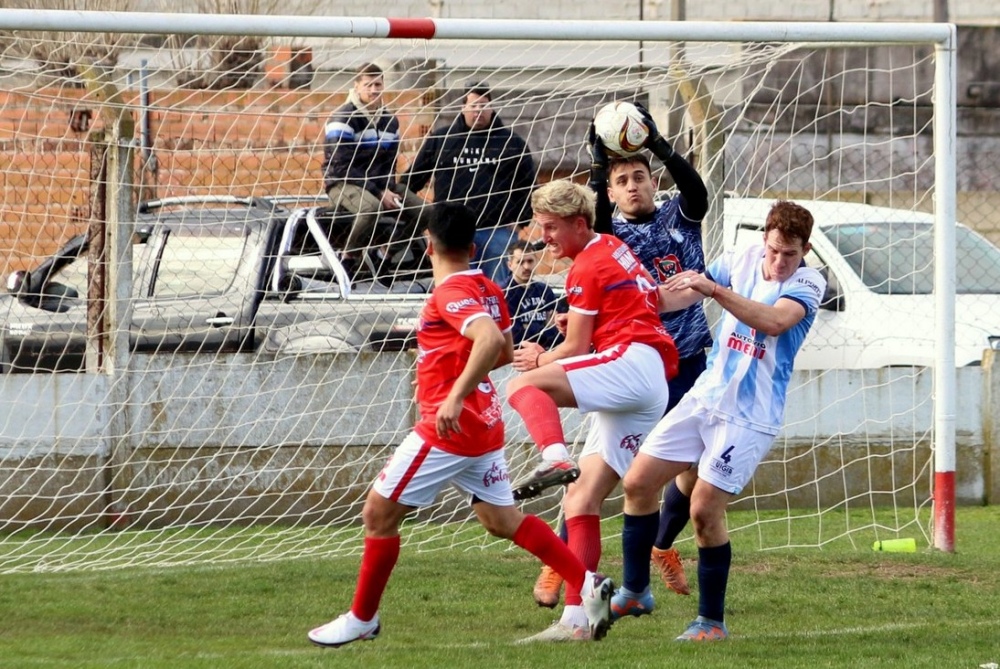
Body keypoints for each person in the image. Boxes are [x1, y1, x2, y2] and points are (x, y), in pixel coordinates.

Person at [306, 201, 615, 649]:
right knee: (501, 519)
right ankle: (588, 585)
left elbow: (489, 341)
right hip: (484, 425)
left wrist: (452, 393)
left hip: (447, 429)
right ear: (473, 246)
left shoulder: (449, 292)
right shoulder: (490, 286)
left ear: (427, 244)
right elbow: (505, 353)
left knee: (377, 514)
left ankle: (362, 618)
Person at [617, 200, 826, 641]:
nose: (778, 261)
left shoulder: (809, 283)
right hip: (705, 397)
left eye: (789, 254)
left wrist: (713, 290)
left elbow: (772, 321)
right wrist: (632, 304)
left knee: (704, 510)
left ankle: (711, 623)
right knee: (636, 483)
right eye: (773, 250)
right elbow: (685, 292)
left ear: (804, 250)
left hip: (750, 417)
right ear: (764, 239)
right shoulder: (743, 257)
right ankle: (636, 590)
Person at [532, 108, 712, 610]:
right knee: (602, 465)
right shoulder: (611, 237)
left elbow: (696, 191)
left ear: (653, 182)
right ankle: (562, 558)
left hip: (689, 358)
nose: (632, 186)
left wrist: (656, 144)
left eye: (639, 177)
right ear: (609, 193)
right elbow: (590, 218)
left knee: (690, 470)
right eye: (621, 180)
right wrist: (597, 159)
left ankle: (660, 545)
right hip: (634, 361)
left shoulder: (680, 214)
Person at [505, 180, 678, 642]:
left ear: (579, 223)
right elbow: (627, 308)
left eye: (551, 228)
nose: (544, 238)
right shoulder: (612, 247)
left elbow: (578, 346)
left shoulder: (586, 265)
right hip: (648, 380)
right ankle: (577, 622)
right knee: (580, 499)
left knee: (523, 384)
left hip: (631, 362)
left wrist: (540, 358)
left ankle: (554, 456)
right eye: (540, 228)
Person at [400, 81, 536, 284]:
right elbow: (412, 179)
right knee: (454, 287)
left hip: (496, 231)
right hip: (451, 233)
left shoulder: (511, 143)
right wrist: (421, 214)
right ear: (463, 107)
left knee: (498, 290)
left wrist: (520, 220)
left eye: (484, 105)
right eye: (473, 105)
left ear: (492, 108)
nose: (478, 111)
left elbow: (528, 185)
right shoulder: (442, 138)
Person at [322, 62, 428, 277]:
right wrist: (378, 192)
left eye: (378, 84)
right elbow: (341, 166)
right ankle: (348, 258)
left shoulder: (390, 121)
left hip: (377, 185)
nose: (373, 90)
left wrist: (387, 189)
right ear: (357, 86)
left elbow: (389, 164)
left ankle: (385, 254)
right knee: (371, 208)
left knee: (427, 212)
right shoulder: (342, 118)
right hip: (342, 183)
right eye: (368, 85)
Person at [504, 239, 563, 349]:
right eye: (520, 262)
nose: (526, 267)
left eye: (530, 261)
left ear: (536, 261)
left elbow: (562, 330)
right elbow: (516, 337)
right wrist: (546, 326)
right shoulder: (505, 293)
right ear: (510, 265)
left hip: (549, 351)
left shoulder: (544, 290)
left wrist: (528, 328)